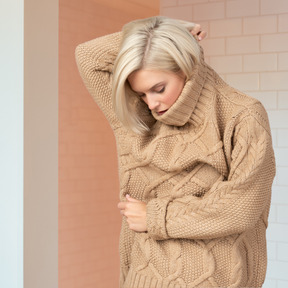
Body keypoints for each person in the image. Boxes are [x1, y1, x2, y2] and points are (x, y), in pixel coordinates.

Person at [75, 16, 276, 288]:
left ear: (184, 66)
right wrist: (165, 29)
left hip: (214, 280)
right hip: (143, 276)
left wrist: (156, 216)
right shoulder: (138, 121)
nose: (152, 103)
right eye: (142, 94)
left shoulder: (241, 115)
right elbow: (88, 56)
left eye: (159, 89)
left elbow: (242, 205)